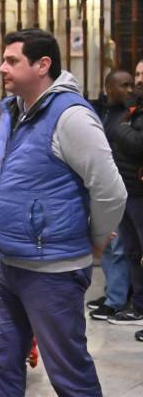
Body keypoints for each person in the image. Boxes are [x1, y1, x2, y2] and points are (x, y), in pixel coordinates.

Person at [0, 29, 127, 396]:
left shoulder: (71, 116)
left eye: (12, 60)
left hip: (53, 270)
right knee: (0, 361)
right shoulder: (13, 111)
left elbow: (111, 191)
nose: (2, 68)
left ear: (42, 64)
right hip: (10, 262)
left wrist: (95, 242)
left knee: (68, 372)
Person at [86, 69, 134, 320]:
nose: (129, 90)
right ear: (108, 87)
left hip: (121, 186)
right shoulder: (99, 110)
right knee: (106, 243)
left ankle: (117, 300)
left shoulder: (127, 115)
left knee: (118, 246)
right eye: (123, 85)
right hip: (101, 186)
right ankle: (112, 292)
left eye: (131, 85)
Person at [105, 59, 143, 337]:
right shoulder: (133, 110)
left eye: (141, 76)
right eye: (137, 74)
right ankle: (138, 306)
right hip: (127, 190)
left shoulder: (126, 115)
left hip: (140, 192)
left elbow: (137, 145)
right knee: (132, 251)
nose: (138, 81)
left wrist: (119, 127)